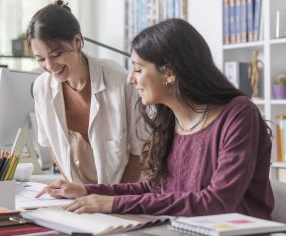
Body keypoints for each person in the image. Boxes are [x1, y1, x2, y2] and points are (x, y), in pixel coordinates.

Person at [35, 19, 274, 219]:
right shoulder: (170, 119)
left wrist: (113, 204)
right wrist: (87, 190)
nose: (130, 79)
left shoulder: (238, 115)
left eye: (138, 69)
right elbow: (155, 188)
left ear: (169, 73)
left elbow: (218, 202)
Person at [26, 0, 146, 184]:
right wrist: (77, 192)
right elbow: (54, 146)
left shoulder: (119, 81)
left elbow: (140, 153)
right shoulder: (42, 88)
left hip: (126, 194)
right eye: (40, 59)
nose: (49, 66)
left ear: (77, 41)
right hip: (81, 199)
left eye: (56, 54)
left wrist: (111, 199)